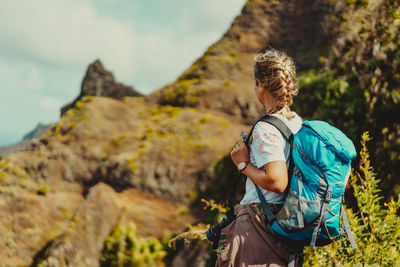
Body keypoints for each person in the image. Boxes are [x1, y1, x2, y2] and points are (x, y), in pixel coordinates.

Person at [215, 48, 302, 267]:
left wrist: (243, 164)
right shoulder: (298, 124)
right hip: (288, 227)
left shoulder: (266, 127)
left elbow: (276, 181)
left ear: (260, 85)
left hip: (259, 226)